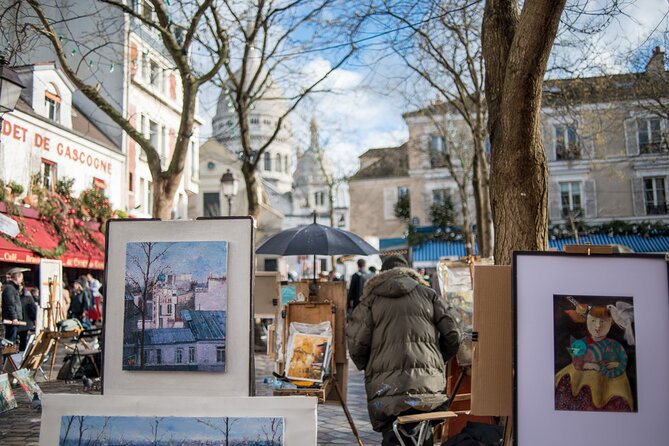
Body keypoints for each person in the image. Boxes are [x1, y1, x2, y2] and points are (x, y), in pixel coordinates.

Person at [347, 254, 461, 445]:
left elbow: (356, 343)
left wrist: (368, 364)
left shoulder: (371, 301)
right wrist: (438, 359)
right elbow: (453, 334)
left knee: (393, 435)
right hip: (427, 384)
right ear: (409, 271)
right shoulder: (428, 295)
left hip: (386, 387)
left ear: (383, 273)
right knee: (423, 434)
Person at [555, 304, 634, 411]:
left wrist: (611, 366)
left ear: (611, 323)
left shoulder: (614, 345)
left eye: (603, 322)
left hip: (608, 384)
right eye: (593, 321)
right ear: (586, 321)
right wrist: (588, 365)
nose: (597, 326)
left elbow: (621, 362)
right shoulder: (581, 344)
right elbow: (576, 360)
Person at [2, 268, 25, 343]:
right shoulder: (10, 288)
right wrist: (14, 318)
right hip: (11, 320)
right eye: (21, 278)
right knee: (10, 342)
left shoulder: (13, 288)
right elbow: (10, 304)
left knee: (12, 342)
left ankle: (8, 354)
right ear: (17, 278)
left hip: (12, 320)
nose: (22, 280)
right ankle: (8, 355)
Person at [17, 284, 38, 351]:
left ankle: (21, 353)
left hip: (25, 321)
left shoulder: (27, 296)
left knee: (23, 340)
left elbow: (33, 308)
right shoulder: (26, 296)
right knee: (21, 340)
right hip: (20, 321)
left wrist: (34, 318)